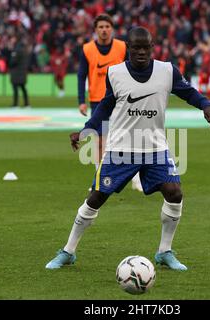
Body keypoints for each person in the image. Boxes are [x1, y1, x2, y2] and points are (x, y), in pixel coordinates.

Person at [45, 27, 210, 271]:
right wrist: (87, 130)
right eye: (136, 47)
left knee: (174, 192)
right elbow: (105, 106)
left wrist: (206, 105)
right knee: (96, 198)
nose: (141, 52)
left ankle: (164, 251)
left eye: (145, 47)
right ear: (128, 48)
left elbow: (188, 92)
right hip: (121, 148)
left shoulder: (167, 70)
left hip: (155, 148)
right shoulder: (115, 73)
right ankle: (68, 251)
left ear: (152, 48)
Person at [77, 14, 144, 191]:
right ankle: (100, 178)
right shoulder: (87, 49)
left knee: (127, 138)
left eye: (107, 26)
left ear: (112, 28)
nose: (104, 30)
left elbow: (133, 70)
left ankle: (136, 177)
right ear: (95, 29)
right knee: (100, 141)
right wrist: (81, 101)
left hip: (121, 99)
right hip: (98, 101)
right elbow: (81, 75)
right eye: (101, 27)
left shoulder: (122, 47)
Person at [9, 35, 30, 108]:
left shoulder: (16, 50)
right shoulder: (24, 49)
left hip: (16, 72)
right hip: (23, 71)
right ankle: (27, 104)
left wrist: (10, 63)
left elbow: (13, 62)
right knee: (23, 88)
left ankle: (15, 104)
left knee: (15, 88)